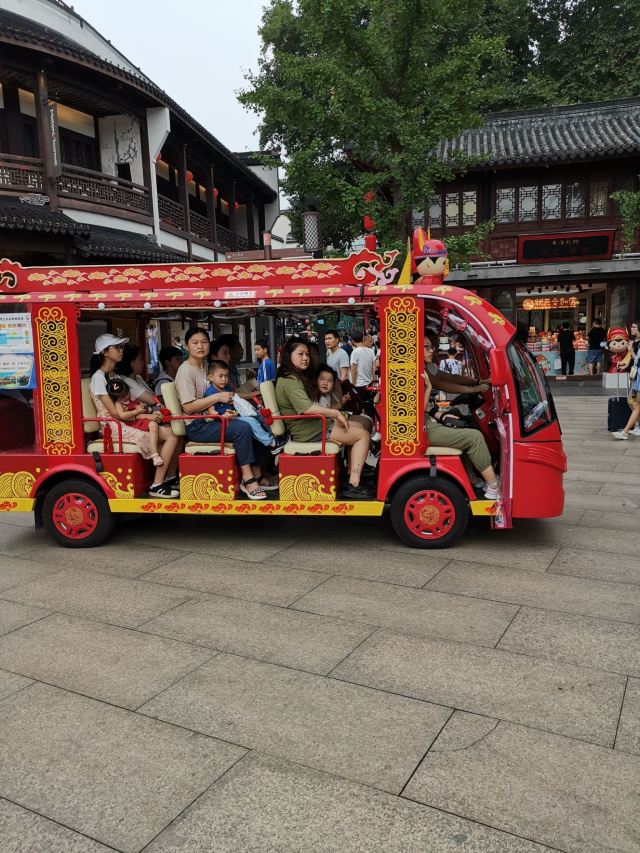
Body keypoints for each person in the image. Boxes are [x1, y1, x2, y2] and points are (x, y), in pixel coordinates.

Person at [174, 327, 269, 499]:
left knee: (254, 421)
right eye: (195, 343)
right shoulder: (185, 371)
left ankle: (257, 473)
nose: (200, 346)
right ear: (187, 346)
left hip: (214, 418)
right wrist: (218, 397)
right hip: (197, 425)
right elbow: (188, 407)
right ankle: (247, 478)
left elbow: (226, 392)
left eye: (204, 342)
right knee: (242, 428)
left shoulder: (207, 367)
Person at [275, 337, 372, 499]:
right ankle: (353, 484)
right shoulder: (289, 380)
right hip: (308, 430)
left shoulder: (295, 376)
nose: (305, 358)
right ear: (288, 355)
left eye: (307, 354)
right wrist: (335, 413)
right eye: (300, 354)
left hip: (314, 424)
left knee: (361, 426)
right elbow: (307, 408)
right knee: (363, 435)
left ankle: (351, 473)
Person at [89, 334, 179, 497]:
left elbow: (128, 404)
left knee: (172, 431)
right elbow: (115, 413)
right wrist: (144, 415)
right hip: (114, 425)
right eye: (117, 347)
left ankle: (166, 478)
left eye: (121, 347)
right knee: (171, 435)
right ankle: (157, 484)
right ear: (105, 352)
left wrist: (146, 412)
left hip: (127, 419)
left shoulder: (114, 376)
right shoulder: (98, 379)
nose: (121, 351)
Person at [423, 331, 500, 500]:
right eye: (426, 347)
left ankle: (471, 475)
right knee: (474, 437)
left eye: (431, 347)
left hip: (427, 422)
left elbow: (448, 377)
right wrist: (474, 389)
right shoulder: (417, 372)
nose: (431, 350)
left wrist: (476, 382)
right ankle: (493, 485)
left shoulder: (425, 367)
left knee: (464, 425)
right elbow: (443, 384)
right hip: (423, 428)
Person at [205, 360, 285, 454]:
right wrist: (223, 416)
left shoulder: (227, 388)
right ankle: (272, 443)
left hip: (236, 414)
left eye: (226, 376)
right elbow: (211, 411)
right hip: (225, 420)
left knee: (259, 414)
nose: (224, 379)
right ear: (211, 377)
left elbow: (237, 397)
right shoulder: (210, 392)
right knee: (251, 422)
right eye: (220, 376)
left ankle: (275, 434)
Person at [107, 377, 163, 467]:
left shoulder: (132, 398)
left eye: (127, 393)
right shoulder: (118, 403)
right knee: (153, 425)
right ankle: (154, 453)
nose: (126, 397)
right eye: (122, 396)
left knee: (157, 420)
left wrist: (142, 407)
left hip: (140, 419)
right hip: (133, 422)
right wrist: (136, 411)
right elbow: (122, 415)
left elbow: (142, 407)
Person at [612, 344, 640, 440]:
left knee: (635, 404)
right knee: (631, 401)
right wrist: (631, 350)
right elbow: (637, 360)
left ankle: (625, 432)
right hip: (637, 378)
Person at [350, 330, 378, 422]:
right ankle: (372, 425)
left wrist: (352, 384)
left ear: (352, 341)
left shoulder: (355, 352)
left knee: (359, 409)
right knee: (369, 406)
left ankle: (363, 426)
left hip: (358, 385)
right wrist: (374, 381)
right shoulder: (370, 351)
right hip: (369, 384)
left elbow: (354, 370)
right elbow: (373, 367)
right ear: (363, 338)